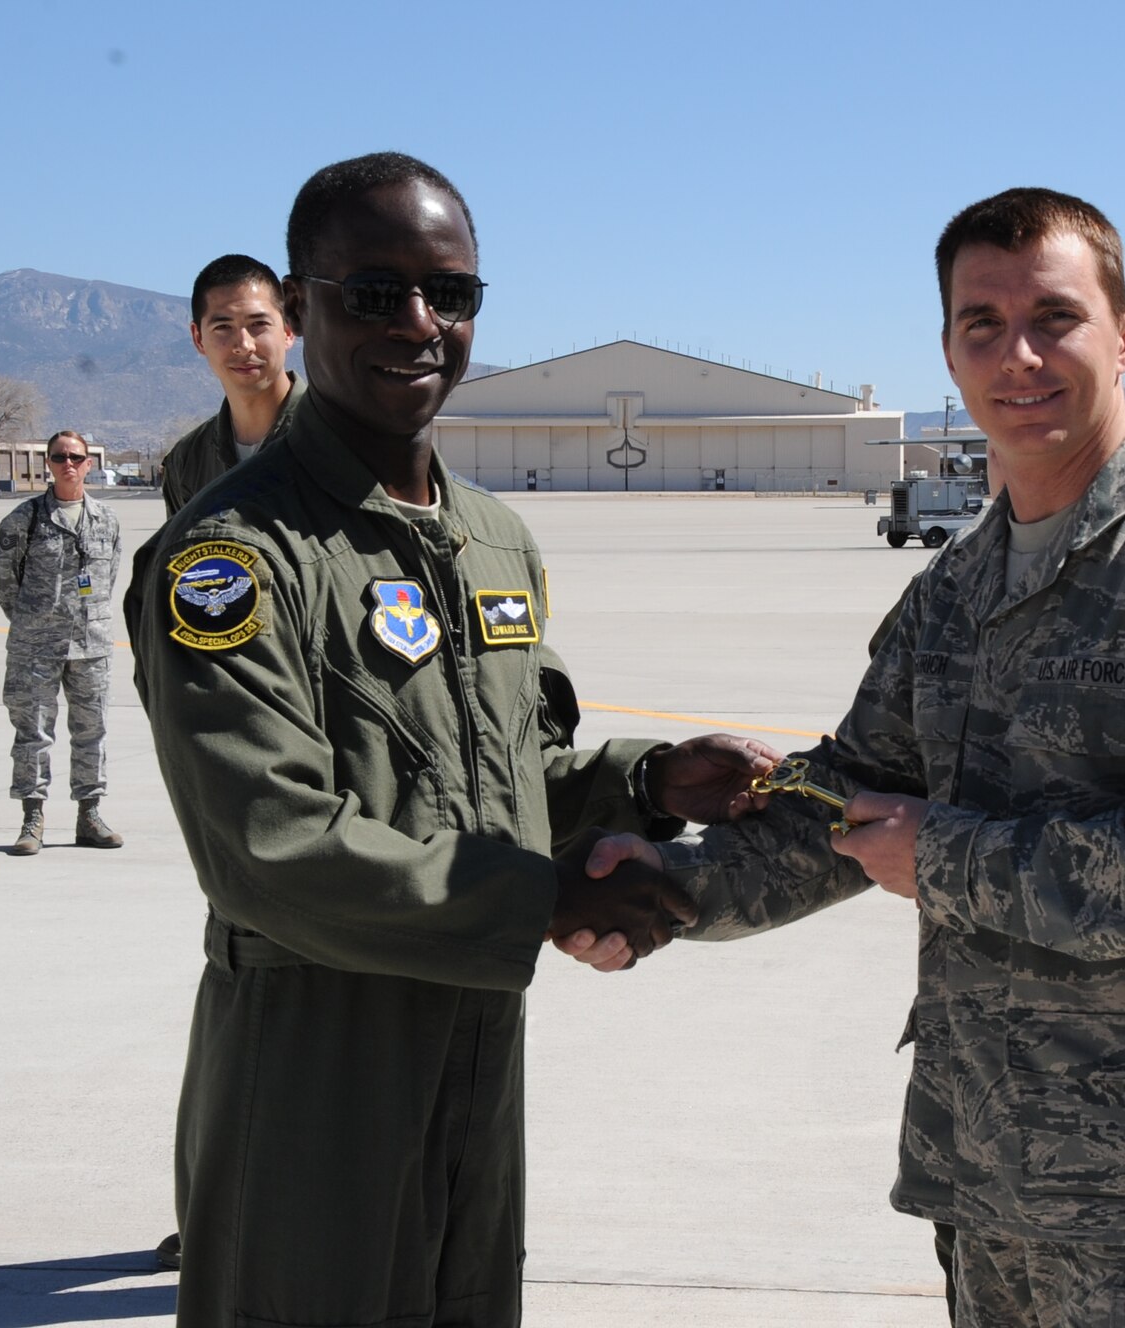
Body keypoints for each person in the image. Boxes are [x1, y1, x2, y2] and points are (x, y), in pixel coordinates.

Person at [569, 188, 1125, 1326]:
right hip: (988, 1186)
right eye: (981, 325)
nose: (1017, 356)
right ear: (947, 351)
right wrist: (668, 885)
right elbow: (851, 802)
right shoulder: (957, 587)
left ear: (1122, 337)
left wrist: (948, 857)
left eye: (1053, 318)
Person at [123, 151, 778, 1328]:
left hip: (477, 1045)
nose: (419, 324)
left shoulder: (489, 538)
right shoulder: (230, 556)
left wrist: (650, 779)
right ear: (302, 302)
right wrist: (536, 896)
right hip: (319, 1058)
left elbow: (501, 772)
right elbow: (266, 844)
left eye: (452, 295)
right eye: (376, 293)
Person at [0, 430, 124, 855]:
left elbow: (109, 578)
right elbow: (4, 584)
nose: (68, 464)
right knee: (32, 734)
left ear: (89, 464)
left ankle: (90, 813)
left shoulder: (106, 520)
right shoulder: (23, 519)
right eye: (59, 457)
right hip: (35, 646)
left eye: (76, 457)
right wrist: (35, 623)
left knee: (92, 732)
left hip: (92, 644)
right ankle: (33, 817)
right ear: (47, 463)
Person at [158, 254, 305, 516]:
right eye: (223, 326)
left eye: (258, 324)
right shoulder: (189, 461)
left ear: (288, 330)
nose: (244, 345)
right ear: (198, 338)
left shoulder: (341, 438)